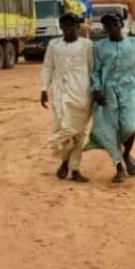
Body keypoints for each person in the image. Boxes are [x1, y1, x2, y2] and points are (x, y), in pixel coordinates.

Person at [86, 13, 135, 183]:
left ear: (121, 24)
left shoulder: (134, 44)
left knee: (130, 126)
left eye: (113, 24)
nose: (110, 28)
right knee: (110, 129)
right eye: (106, 25)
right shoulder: (99, 46)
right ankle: (119, 166)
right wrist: (97, 90)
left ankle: (126, 154)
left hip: (128, 91)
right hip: (108, 93)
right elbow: (96, 71)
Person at [40, 13, 93, 182]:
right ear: (60, 27)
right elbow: (48, 67)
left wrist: (97, 90)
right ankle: (65, 161)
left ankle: (74, 168)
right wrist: (43, 88)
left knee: (80, 133)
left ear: (78, 27)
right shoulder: (54, 45)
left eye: (71, 25)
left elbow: (93, 70)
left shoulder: (88, 46)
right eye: (64, 26)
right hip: (60, 93)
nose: (67, 29)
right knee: (63, 128)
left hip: (82, 93)